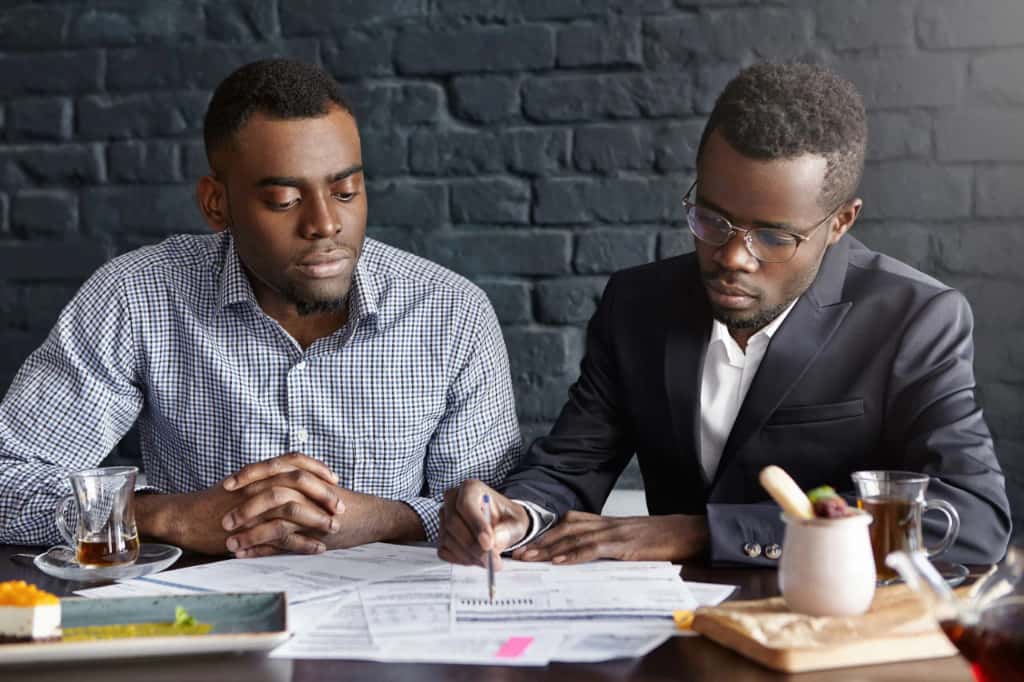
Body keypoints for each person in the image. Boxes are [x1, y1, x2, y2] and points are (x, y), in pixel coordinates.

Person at [438, 62, 1011, 569]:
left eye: (773, 236)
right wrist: (516, 514)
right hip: (666, 633)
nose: (733, 257)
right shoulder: (637, 306)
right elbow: (568, 468)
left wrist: (702, 532)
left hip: (831, 639)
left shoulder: (915, 319)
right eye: (711, 219)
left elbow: (973, 518)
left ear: (841, 222)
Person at [0, 59, 521, 557]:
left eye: (345, 191)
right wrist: (167, 517)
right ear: (216, 205)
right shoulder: (137, 297)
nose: (324, 223)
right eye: (283, 200)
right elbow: (8, 477)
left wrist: (389, 519)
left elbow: (494, 513)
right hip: (201, 623)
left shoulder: (450, 313)